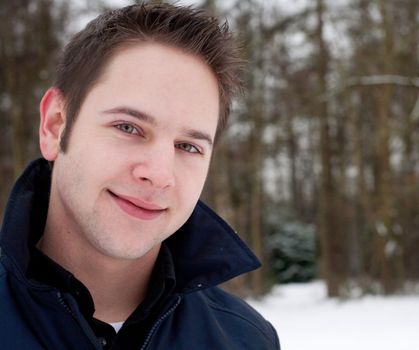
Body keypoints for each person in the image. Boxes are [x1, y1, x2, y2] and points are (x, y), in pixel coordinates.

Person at [0, 3, 280, 349]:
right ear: (55, 125)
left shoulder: (245, 339)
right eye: (128, 127)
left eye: (188, 146)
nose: (160, 174)